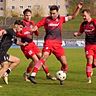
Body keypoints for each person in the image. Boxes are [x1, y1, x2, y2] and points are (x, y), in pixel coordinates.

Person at [28, 2, 83, 84]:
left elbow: (73, 17)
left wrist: (78, 8)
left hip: (58, 44)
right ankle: (32, 75)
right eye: (51, 13)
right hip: (48, 42)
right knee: (44, 57)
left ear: (57, 12)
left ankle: (61, 77)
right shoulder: (46, 19)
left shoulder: (61, 19)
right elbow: (37, 26)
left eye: (54, 13)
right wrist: (33, 29)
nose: (52, 15)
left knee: (64, 64)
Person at [16, 8, 56, 81]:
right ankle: (27, 74)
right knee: (36, 60)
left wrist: (36, 30)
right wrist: (25, 33)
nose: (28, 17)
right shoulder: (21, 23)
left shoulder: (32, 23)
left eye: (29, 15)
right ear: (24, 16)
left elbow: (36, 33)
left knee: (42, 58)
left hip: (32, 44)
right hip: (26, 46)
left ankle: (48, 74)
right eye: (26, 15)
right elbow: (17, 34)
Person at [74, 9, 96, 83]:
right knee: (89, 59)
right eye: (83, 16)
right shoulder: (83, 24)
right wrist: (77, 34)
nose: (83, 17)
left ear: (89, 15)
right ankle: (89, 78)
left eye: (85, 15)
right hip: (88, 45)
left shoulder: (94, 22)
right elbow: (80, 32)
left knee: (95, 63)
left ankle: (91, 68)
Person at [0, 20, 25, 85]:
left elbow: (16, 42)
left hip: (3, 52)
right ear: (16, 25)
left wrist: (23, 44)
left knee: (17, 60)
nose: (21, 29)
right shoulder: (10, 31)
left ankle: (5, 73)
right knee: (5, 66)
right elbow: (3, 31)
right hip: (1, 51)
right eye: (21, 27)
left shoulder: (14, 34)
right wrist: (1, 32)